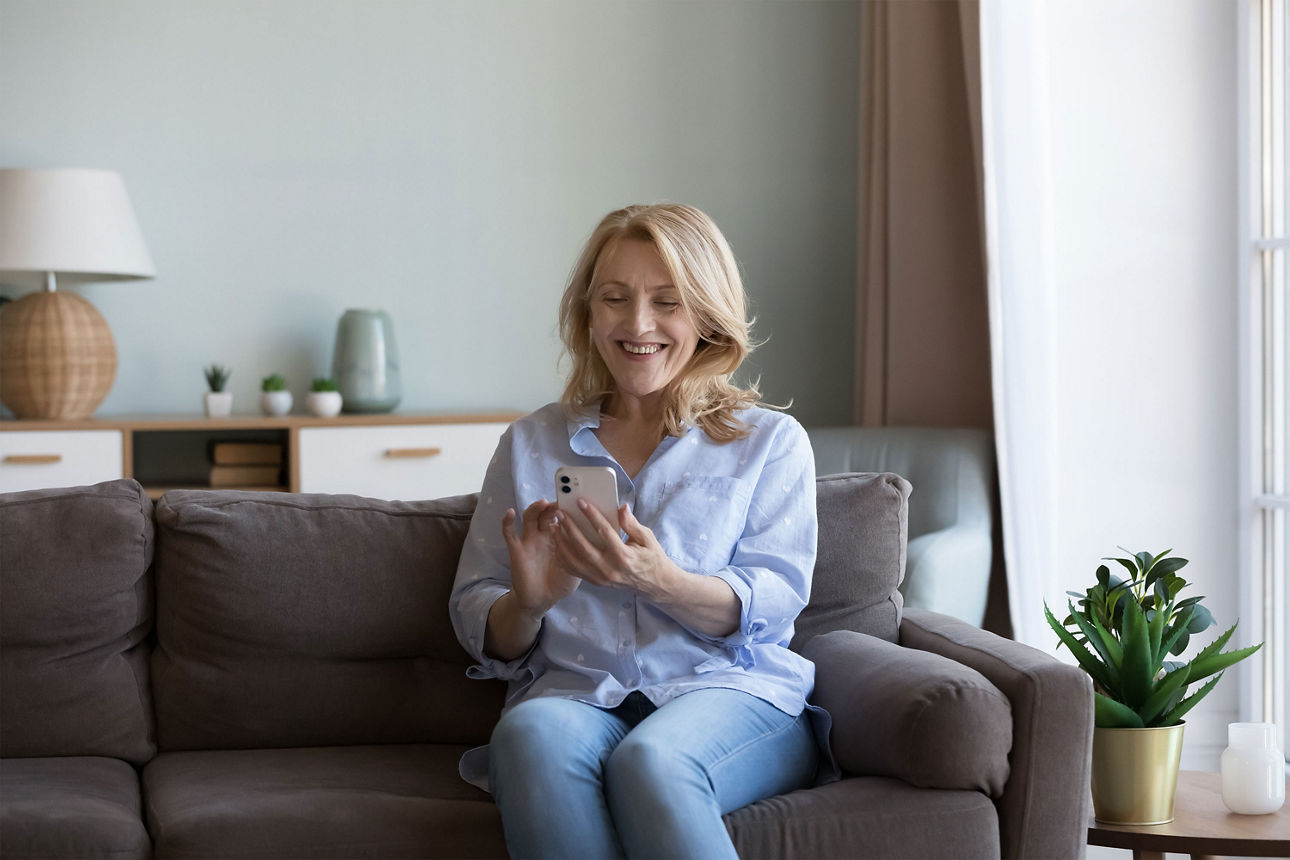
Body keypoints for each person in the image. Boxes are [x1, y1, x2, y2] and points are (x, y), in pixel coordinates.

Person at [449, 203, 825, 860]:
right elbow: (480, 612)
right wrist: (529, 604)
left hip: (727, 691)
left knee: (651, 759)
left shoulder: (770, 443)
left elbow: (776, 599)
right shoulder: (531, 443)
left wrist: (662, 582)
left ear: (706, 314)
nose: (638, 324)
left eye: (667, 302)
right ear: (588, 314)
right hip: (577, 693)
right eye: (615, 299)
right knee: (529, 735)